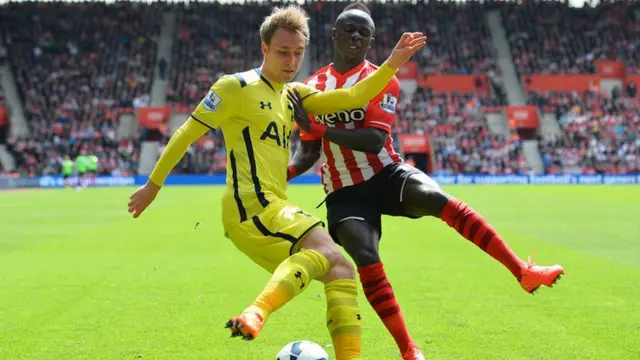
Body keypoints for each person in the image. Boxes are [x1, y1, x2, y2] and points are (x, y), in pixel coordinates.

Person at [126, 5, 426, 360]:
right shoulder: (235, 87)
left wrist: (392, 62)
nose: (291, 60)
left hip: (275, 206)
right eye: (283, 51)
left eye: (298, 53)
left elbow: (353, 97)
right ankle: (256, 313)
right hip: (249, 205)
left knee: (342, 269)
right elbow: (187, 132)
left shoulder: (294, 94)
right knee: (330, 253)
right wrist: (153, 186)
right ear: (265, 48)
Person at [287, 3, 564, 360]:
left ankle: (523, 272)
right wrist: (286, 174)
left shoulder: (383, 78)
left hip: (386, 172)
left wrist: (320, 128)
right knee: (365, 253)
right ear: (334, 34)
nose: (356, 36)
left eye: (364, 33)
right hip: (343, 190)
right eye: (349, 30)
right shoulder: (312, 87)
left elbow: (373, 139)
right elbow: (308, 151)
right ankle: (409, 349)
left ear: (371, 42)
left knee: (437, 198)